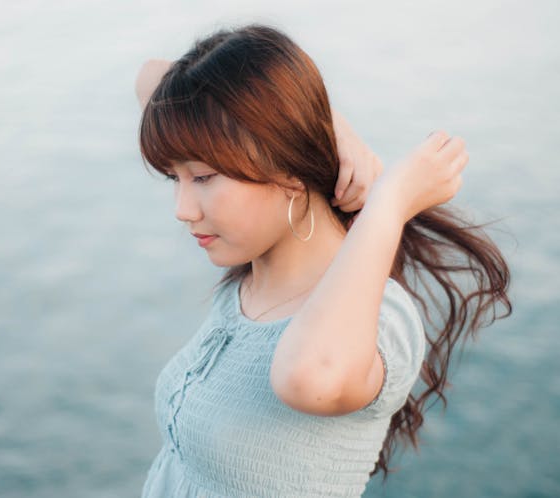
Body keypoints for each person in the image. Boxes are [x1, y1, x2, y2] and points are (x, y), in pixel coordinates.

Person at [133, 24, 512, 497]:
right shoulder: (255, 277)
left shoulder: (379, 321)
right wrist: (330, 124)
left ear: (289, 169)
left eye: (204, 178)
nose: (182, 209)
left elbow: (309, 377)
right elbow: (154, 79)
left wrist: (390, 203)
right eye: (176, 178)